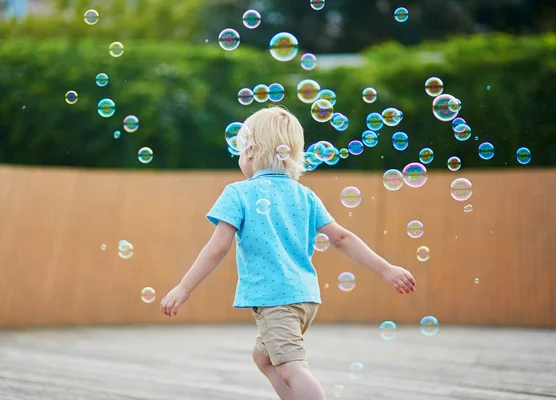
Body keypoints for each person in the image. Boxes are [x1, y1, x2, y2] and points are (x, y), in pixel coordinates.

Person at [160, 106, 416, 400]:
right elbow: (342, 237)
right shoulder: (304, 194)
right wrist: (387, 269)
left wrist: (184, 287)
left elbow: (218, 247)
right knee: (264, 359)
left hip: (275, 300)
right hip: (305, 297)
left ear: (252, 151)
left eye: (241, 151)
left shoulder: (238, 192)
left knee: (292, 368)